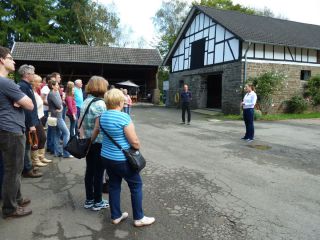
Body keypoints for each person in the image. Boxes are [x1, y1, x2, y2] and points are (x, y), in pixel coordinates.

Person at [99, 88, 155, 227]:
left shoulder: (102, 116)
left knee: (114, 185)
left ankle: (116, 216)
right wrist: (137, 147)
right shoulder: (123, 117)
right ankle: (139, 218)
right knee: (136, 185)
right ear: (120, 101)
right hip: (122, 159)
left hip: (106, 156)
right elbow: (134, 141)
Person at [0, 46, 34, 218]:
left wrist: (17, 100)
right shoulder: (5, 82)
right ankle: (10, 208)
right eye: (10, 58)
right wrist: (20, 100)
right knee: (13, 169)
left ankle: (16, 198)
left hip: (6, 129)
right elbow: (29, 104)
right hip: (11, 129)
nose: (14, 61)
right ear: (1, 60)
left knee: (11, 168)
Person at [79, 76, 109, 211]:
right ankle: (98, 201)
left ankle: (89, 200)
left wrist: (84, 139)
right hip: (98, 143)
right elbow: (98, 127)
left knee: (89, 171)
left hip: (87, 142)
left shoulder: (86, 101)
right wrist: (91, 141)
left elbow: (79, 123)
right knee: (98, 172)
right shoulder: (100, 104)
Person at [18, 64, 43, 178]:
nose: (33, 76)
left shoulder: (27, 86)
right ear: (27, 74)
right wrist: (31, 124)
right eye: (32, 74)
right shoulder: (23, 86)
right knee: (27, 145)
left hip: (31, 121)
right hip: (29, 123)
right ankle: (27, 169)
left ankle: (29, 166)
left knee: (30, 144)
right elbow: (26, 107)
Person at [47, 79, 71, 158]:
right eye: (56, 85)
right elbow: (59, 104)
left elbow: (60, 104)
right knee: (66, 133)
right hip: (57, 116)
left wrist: (61, 103)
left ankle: (57, 152)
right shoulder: (53, 94)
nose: (58, 86)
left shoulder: (54, 93)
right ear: (53, 86)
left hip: (55, 116)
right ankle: (66, 153)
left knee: (56, 135)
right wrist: (61, 102)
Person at [32, 74, 52, 165]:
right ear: (33, 82)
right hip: (35, 118)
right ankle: (36, 160)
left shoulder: (35, 91)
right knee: (37, 139)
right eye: (39, 82)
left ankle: (41, 157)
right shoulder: (31, 92)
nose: (41, 83)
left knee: (42, 138)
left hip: (39, 117)